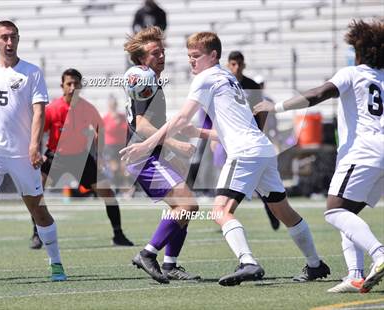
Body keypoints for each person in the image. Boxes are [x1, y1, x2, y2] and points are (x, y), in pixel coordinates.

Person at [121, 31, 330, 286]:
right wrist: (192, 137)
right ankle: (315, 264)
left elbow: (181, 119)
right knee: (283, 211)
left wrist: (156, 143)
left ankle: (246, 262)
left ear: (213, 56)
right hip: (263, 149)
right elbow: (165, 124)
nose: (190, 61)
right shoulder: (228, 78)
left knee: (217, 210)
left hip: (242, 151)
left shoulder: (203, 79)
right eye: (188, 56)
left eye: (196, 56)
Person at [254, 19, 384, 293]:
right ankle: (355, 275)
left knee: (334, 211)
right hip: (380, 150)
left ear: (360, 50)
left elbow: (318, 94)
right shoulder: (382, 78)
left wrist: (275, 106)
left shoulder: (352, 73)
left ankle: (380, 254)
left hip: (363, 151)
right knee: (348, 215)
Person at [0, 20, 66, 281]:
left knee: (38, 209)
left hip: (22, 154)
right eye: (4, 38)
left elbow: (39, 112)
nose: (9, 43)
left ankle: (55, 263)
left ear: (18, 39)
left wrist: (34, 146)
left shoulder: (31, 72)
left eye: (13, 37)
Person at [124, 26, 200, 283]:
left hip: (152, 154)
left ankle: (170, 265)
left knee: (183, 208)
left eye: (162, 51)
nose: (161, 56)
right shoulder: (144, 79)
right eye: (155, 53)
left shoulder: (150, 79)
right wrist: (176, 145)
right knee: (188, 205)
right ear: (142, 59)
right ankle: (147, 254)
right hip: (143, 158)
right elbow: (143, 124)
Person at [29, 68, 134, 250]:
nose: (72, 87)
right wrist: (38, 152)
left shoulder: (87, 108)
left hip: (81, 157)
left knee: (108, 194)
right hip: (56, 157)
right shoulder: (53, 108)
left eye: (76, 84)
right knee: (36, 192)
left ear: (81, 86)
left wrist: (99, 155)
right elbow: (37, 131)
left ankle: (118, 234)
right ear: (62, 86)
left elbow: (100, 129)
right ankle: (37, 234)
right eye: (69, 84)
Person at [227, 51, 280, 231]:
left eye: (239, 64)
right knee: (248, 181)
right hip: (231, 138)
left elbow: (262, 110)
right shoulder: (224, 83)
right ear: (228, 64)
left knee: (250, 181)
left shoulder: (252, 85)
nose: (236, 68)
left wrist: (259, 131)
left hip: (250, 140)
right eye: (233, 64)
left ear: (244, 65)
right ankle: (227, 214)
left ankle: (226, 214)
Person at [102, 95, 129, 189]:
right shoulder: (105, 119)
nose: (113, 106)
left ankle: (124, 187)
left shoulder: (122, 117)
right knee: (114, 168)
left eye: (114, 104)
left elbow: (128, 129)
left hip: (122, 145)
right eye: (111, 104)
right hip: (110, 146)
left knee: (124, 168)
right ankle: (115, 186)